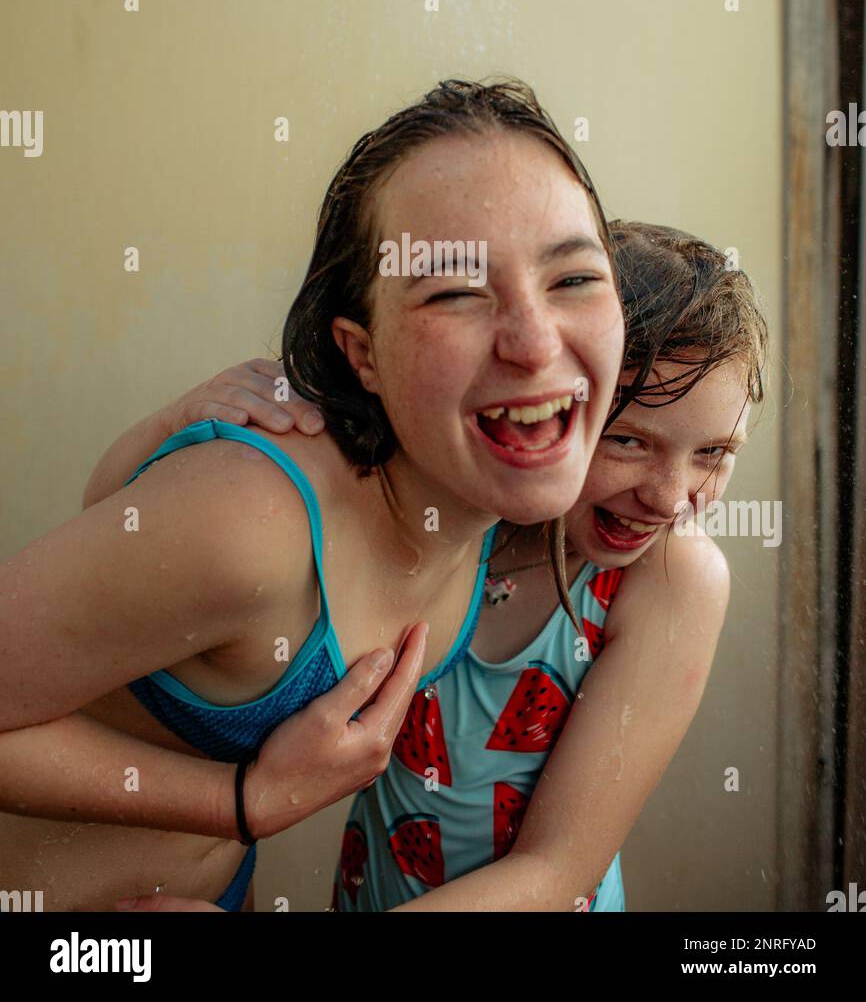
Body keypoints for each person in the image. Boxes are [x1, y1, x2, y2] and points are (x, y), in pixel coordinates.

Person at [0, 78, 625, 911]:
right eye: (454, 291)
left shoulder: (491, 492)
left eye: (575, 278)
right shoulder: (256, 524)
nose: (535, 340)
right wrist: (244, 803)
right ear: (360, 354)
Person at [109, 221, 768, 913]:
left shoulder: (671, 579)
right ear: (553, 407)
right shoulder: (443, 512)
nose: (670, 497)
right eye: (629, 440)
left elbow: (554, 871)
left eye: (714, 454)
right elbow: (114, 533)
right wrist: (179, 423)